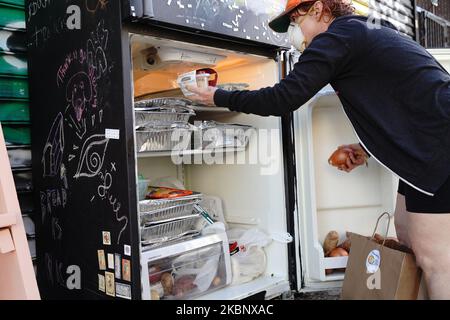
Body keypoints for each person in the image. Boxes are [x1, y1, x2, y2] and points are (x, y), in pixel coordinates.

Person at [186, 0, 450, 299]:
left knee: (436, 259)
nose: (295, 35)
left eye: (296, 23)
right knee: (405, 232)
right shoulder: (361, 31)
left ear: (318, 9)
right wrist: (367, 148)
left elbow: (282, 98)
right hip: (425, 146)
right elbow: (400, 101)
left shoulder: (336, 38)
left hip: (437, 147)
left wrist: (217, 96)